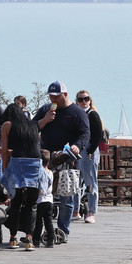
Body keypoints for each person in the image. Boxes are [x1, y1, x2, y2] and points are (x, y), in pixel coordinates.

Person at [32, 81, 89, 242]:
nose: (53, 99)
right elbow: (32, 127)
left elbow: (85, 133)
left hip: (68, 157)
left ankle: (62, 231)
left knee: (66, 197)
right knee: (42, 195)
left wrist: (78, 146)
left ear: (65, 94)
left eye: (56, 96)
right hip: (47, 158)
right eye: (51, 96)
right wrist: (45, 120)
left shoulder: (77, 112)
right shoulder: (45, 109)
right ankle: (39, 230)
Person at [1, 103, 43, 251]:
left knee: (16, 202)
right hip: (34, 163)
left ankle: (13, 238)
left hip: (17, 162)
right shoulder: (33, 125)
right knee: (32, 204)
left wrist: (5, 168)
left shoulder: (7, 125)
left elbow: (4, 151)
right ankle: (29, 239)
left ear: (8, 115)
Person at [74, 89, 103, 224]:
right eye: (81, 99)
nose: (84, 101)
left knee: (90, 181)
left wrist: (91, 150)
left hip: (89, 150)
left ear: (90, 100)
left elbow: (98, 134)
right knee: (76, 180)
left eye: (86, 98)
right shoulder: (76, 115)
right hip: (78, 150)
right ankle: (75, 210)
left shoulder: (93, 115)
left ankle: (91, 211)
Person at [33, 149, 55, 248]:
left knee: (38, 222)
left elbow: (40, 189)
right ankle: (51, 238)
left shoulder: (39, 173)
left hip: (40, 200)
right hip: (49, 200)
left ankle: (36, 239)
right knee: (48, 221)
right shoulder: (50, 172)